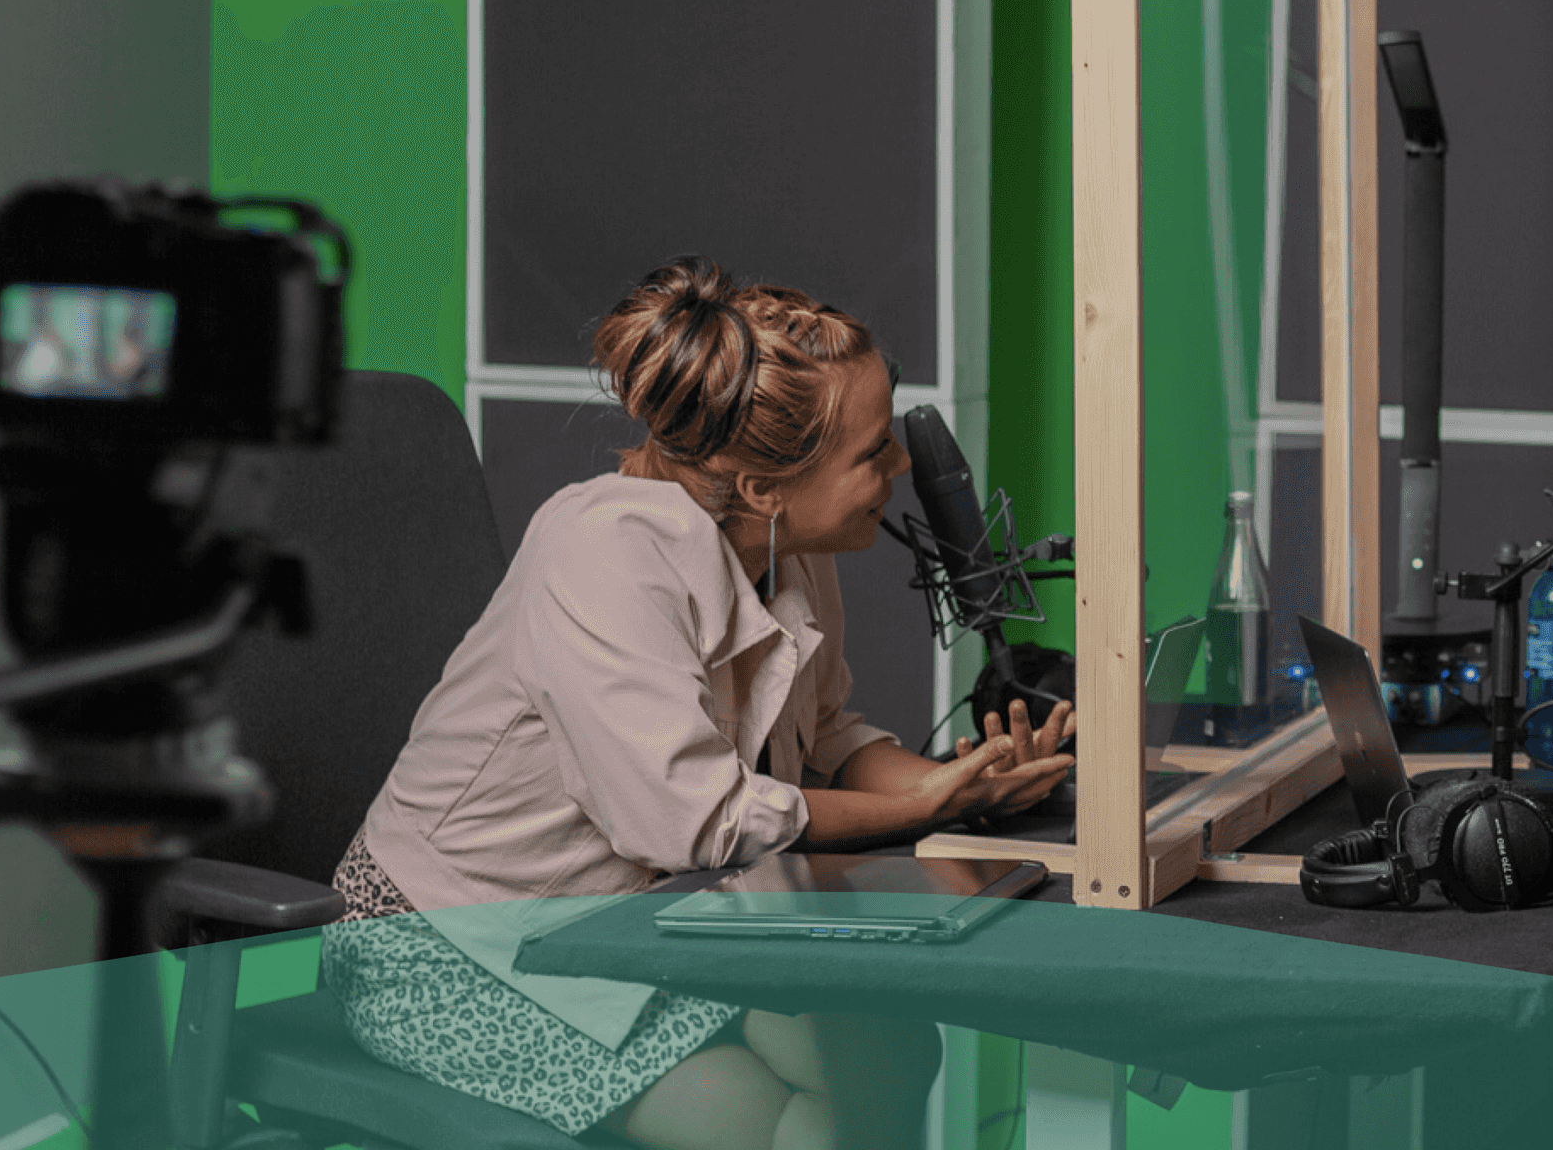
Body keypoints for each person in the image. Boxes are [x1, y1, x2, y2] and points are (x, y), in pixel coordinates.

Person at [320, 253, 1076, 1150]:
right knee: (764, 1120)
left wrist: (963, 783)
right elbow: (694, 819)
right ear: (764, 487)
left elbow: (828, 736)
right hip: (453, 948)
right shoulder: (601, 554)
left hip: (648, 916)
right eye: (874, 452)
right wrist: (923, 804)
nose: (904, 464)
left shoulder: (786, 549)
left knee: (888, 1048)